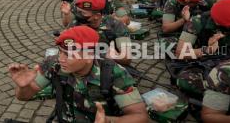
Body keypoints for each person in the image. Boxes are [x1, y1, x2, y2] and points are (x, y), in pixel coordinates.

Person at [8, 26, 148, 123]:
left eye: (68, 54)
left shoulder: (114, 73)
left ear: (89, 56)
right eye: (60, 51)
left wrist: (109, 120)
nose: (61, 58)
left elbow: (140, 117)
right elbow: (23, 96)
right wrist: (23, 87)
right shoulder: (54, 64)